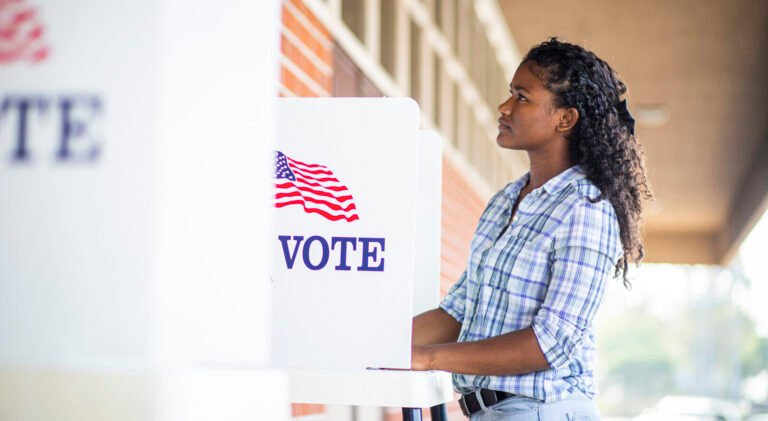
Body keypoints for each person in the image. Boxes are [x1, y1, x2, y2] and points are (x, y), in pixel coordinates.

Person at [409, 37, 652, 420]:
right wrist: (378, 345)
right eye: (510, 94)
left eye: (522, 97)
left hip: (543, 411)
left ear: (565, 118)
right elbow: (457, 312)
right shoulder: (504, 201)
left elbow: (550, 343)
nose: (504, 108)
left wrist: (427, 358)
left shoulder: (586, 209)